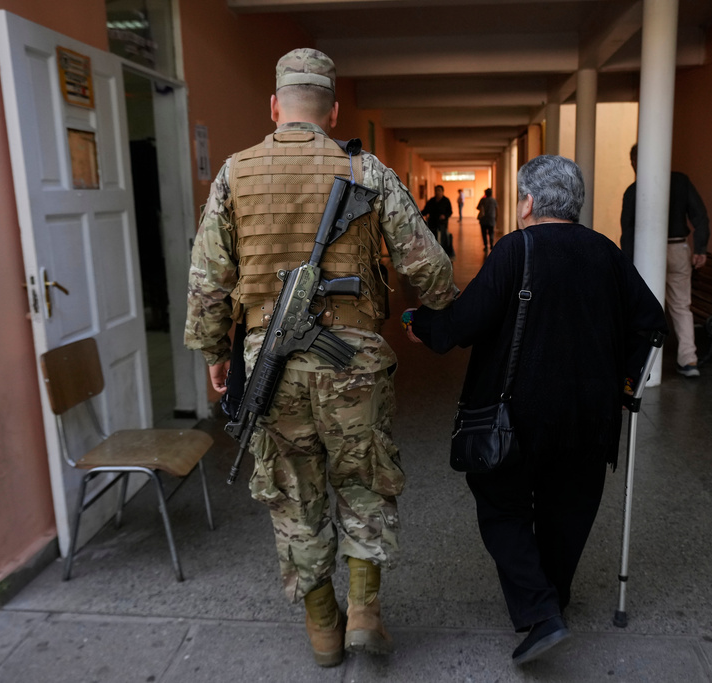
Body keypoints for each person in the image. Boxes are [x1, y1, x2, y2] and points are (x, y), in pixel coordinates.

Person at [183, 48, 458, 668]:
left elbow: (208, 279)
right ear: (332, 110)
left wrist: (213, 353)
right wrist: (443, 310)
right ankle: (366, 612)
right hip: (353, 363)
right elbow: (428, 266)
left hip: (267, 365)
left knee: (292, 495)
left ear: (275, 107)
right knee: (363, 482)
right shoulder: (368, 172)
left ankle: (325, 629)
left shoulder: (233, 173)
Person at [407, 156, 666, 665]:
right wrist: (625, 383)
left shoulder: (516, 248)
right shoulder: (606, 252)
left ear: (526, 202)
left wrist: (424, 327)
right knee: (568, 507)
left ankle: (541, 610)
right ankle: (553, 600)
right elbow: (652, 322)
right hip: (592, 415)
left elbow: (466, 323)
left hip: (518, 415)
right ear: (575, 204)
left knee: (500, 504)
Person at [620, 143, 710, 377]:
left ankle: (648, 363)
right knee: (682, 306)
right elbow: (700, 215)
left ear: (635, 163)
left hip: (647, 253)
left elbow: (627, 230)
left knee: (647, 307)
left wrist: (628, 264)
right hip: (679, 248)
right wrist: (700, 248)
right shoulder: (681, 181)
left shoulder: (634, 190)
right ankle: (689, 360)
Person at [421, 185, 454, 257]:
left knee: (443, 239)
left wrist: (445, 216)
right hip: (432, 223)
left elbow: (450, 211)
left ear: (442, 191)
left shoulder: (446, 201)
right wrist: (418, 214)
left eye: (439, 190)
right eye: (436, 190)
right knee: (433, 239)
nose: (437, 192)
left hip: (442, 224)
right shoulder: (431, 201)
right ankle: (434, 254)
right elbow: (425, 211)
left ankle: (444, 254)